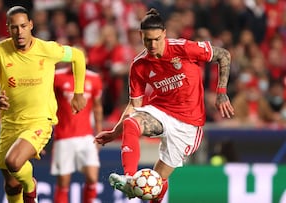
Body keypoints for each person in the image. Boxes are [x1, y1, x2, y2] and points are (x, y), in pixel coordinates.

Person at [94, 8, 235, 203]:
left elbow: (223, 55)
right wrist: (114, 133)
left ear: (164, 34)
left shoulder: (182, 48)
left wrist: (221, 93)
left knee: (155, 185)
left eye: (157, 39)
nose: (152, 45)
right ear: (141, 36)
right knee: (131, 123)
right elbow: (134, 106)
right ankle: (129, 177)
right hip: (160, 111)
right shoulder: (139, 64)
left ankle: (143, 192)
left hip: (188, 125)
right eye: (147, 40)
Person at [0, 6, 86, 203]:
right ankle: (24, 189)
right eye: (14, 27)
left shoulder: (46, 49)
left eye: (23, 26)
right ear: (8, 28)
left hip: (39, 121)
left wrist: (78, 93)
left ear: (31, 25)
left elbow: (78, 56)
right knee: (11, 184)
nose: (19, 32)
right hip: (10, 124)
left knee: (14, 161)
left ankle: (31, 187)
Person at [51, 65, 103, 203]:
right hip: (63, 136)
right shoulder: (57, 76)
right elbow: (47, 102)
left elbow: (97, 106)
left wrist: (98, 130)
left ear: (85, 60)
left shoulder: (94, 78)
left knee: (92, 177)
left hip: (86, 136)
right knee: (63, 182)